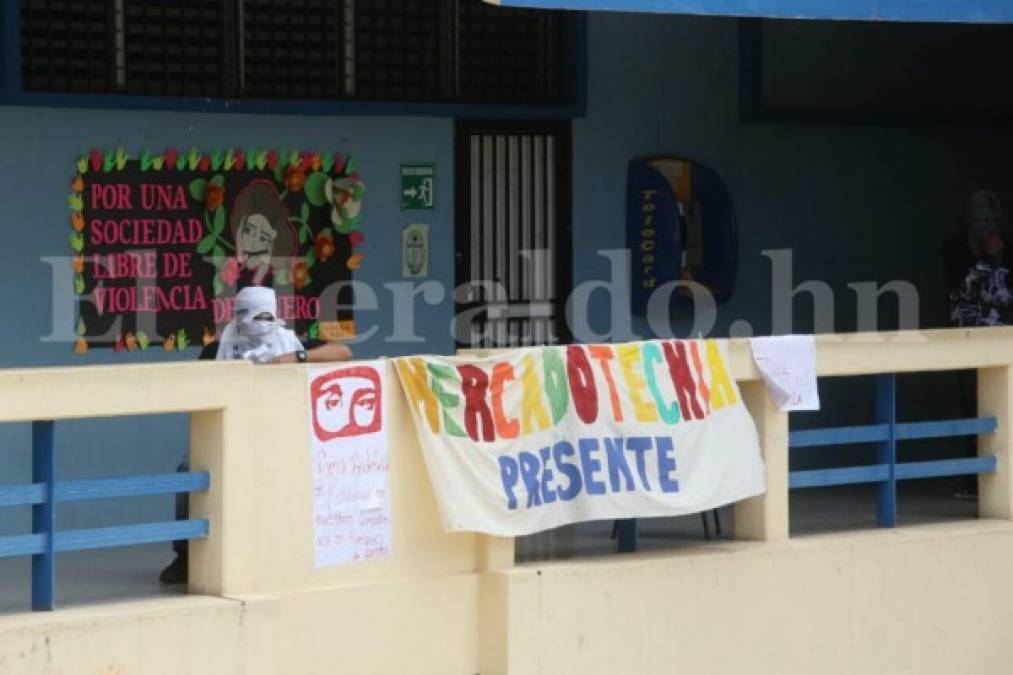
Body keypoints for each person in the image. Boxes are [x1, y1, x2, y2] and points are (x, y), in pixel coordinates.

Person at [159, 285, 352, 584]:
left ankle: (298, 555)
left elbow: (343, 351)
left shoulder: (289, 343)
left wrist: (294, 358)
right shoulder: (217, 349)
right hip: (225, 438)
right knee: (188, 468)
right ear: (238, 315)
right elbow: (193, 391)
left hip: (279, 437)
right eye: (253, 316)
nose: (260, 323)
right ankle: (185, 556)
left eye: (266, 316)